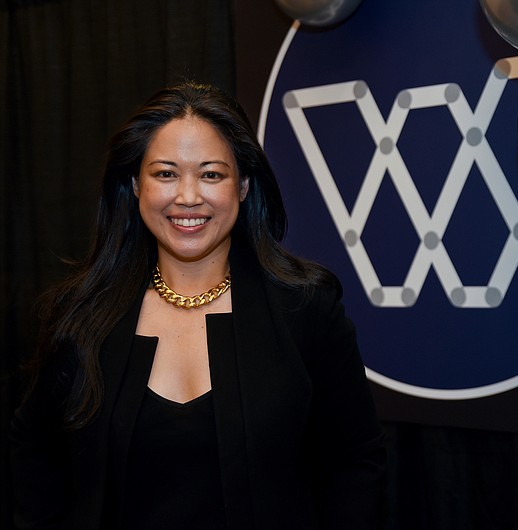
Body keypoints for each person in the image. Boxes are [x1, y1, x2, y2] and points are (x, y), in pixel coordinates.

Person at [9, 81, 387, 529]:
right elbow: (34, 455)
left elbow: (357, 464)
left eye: (211, 174)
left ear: (244, 185)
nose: (188, 197)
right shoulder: (81, 315)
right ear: (134, 184)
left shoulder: (306, 310)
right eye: (166, 173)